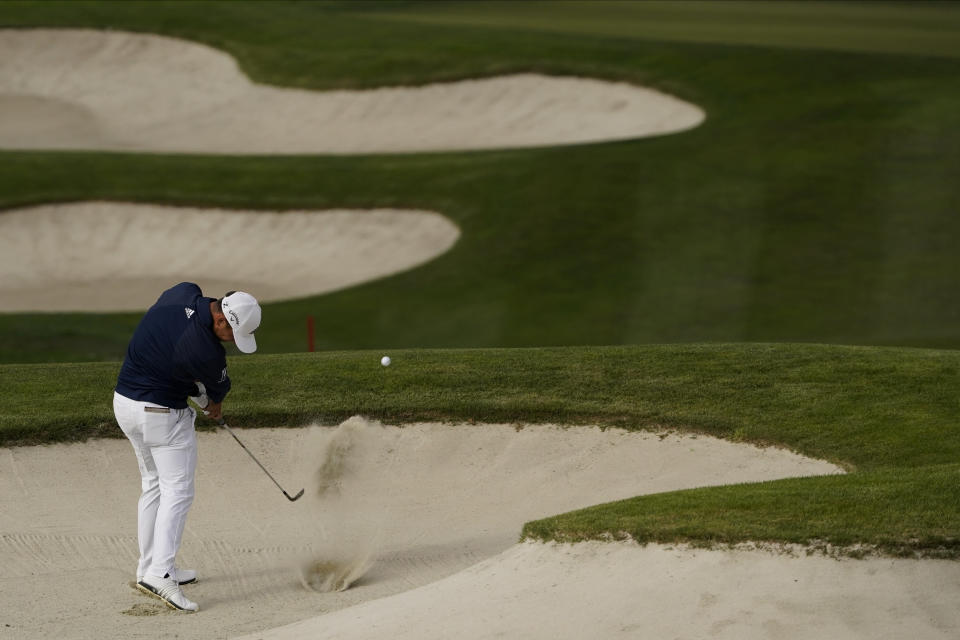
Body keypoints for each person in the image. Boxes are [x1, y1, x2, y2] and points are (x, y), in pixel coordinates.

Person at [113, 282, 261, 612]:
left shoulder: (183, 292)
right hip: (159, 415)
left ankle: (148, 568)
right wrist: (212, 404)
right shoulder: (207, 352)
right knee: (178, 491)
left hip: (124, 403)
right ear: (222, 322)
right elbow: (213, 393)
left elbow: (175, 350)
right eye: (233, 336)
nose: (233, 344)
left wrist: (194, 388)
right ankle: (161, 574)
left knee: (153, 485)